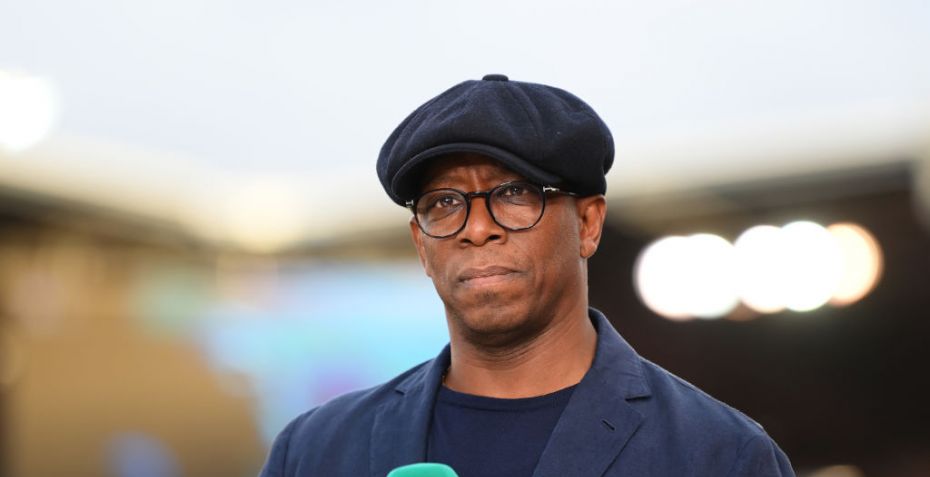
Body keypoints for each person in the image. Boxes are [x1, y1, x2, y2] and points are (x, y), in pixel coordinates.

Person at [259, 74, 795, 477]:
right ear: (421, 244)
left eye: (514, 194)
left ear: (588, 224)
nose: (477, 229)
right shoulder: (314, 451)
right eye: (444, 203)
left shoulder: (718, 455)